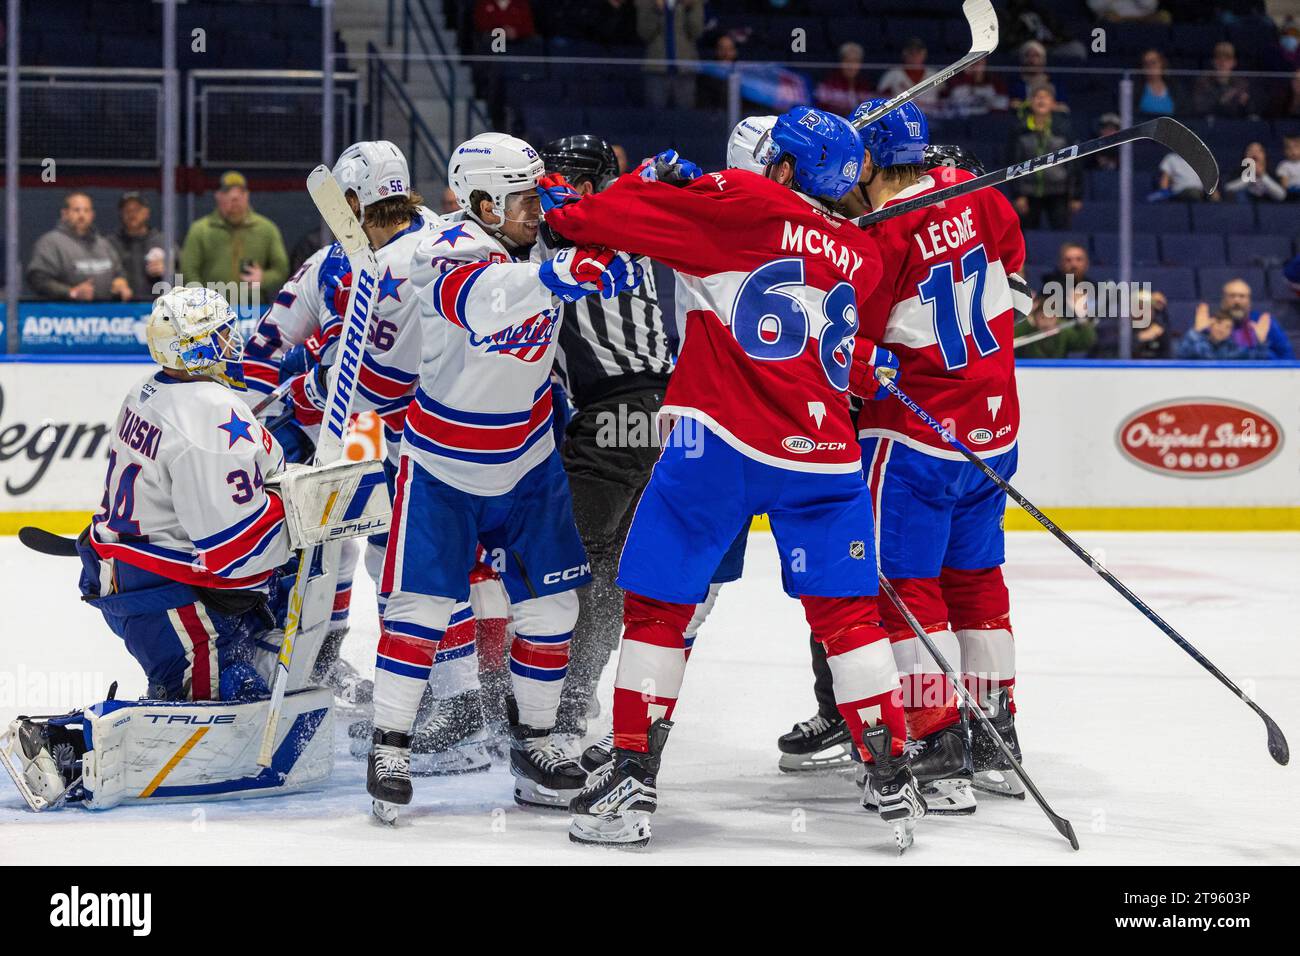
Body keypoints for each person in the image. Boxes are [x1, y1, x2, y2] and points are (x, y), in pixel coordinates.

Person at [548, 107, 926, 851]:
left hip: (716, 444)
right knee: (848, 615)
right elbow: (839, 356)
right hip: (824, 454)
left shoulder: (740, 200)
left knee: (657, 607)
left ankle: (630, 780)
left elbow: (592, 220)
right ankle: (892, 775)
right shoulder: (861, 251)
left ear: (783, 167)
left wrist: (642, 182)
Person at [364, 132, 642, 822]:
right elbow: (486, 301)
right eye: (520, 197)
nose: (533, 207)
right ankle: (390, 742)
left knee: (554, 610)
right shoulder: (447, 251)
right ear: (483, 202)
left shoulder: (539, 234)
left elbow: (603, 229)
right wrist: (560, 275)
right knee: (420, 610)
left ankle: (536, 745)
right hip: (443, 466)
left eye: (534, 192)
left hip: (528, 460)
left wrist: (656, 185)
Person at [0, 288, 336, 812]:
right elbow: (236, 558)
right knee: (237, 700)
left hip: (135, 578)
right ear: (196, 347)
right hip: (166, 598)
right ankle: (65, 747)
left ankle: (174, 692)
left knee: (241, 664)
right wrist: (301, 511)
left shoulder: (154, 388)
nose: (235, 343)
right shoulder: (206, 415)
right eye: (222, 334)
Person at [851, 100, 1029, 808]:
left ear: (865, 163)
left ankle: (936, 737)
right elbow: (1012, 269)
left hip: (917, 437)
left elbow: (853, 342)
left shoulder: (880, 232)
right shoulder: (979, 194)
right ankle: (996, 734)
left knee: (907, 589)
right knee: (978, 580)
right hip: (996, 430)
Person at [535, 135, 675, 743]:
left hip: (614, 415)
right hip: (658, 415)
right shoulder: (631, 223)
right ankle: (575, 695)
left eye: (564, 178)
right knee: (608, 571)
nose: (550, 189)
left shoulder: (587, 227)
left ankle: (543, 705)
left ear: (590, 186)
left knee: (563, 563)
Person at [180, 171, 290, 305]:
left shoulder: (266, 229)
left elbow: (281, 269)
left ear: (247, 196)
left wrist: (264, 278)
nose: (235, 199)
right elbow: (188, 271)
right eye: (228, 195)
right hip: (212, 311)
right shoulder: (201, 230)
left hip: (253, 310)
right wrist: (203, 301)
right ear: (218, 196)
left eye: (240, 194)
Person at [26, 191, 131, 301]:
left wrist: (121, 283)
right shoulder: (50, 243)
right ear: (64, 214)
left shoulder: (104, 245)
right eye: (76, 210)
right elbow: (38, 279)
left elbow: (119, 273)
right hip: (63, 315)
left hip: (105, 315)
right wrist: (71, 292)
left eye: (86, 210)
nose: (82, 215)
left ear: (92, 215)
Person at [1008, 85, 1082, 229]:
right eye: (1037, 97)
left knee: (1061, 235)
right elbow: (1012, 162)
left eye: (1045, 97)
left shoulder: (1064, 129)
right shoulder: (1019, 129)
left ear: (1053, 103)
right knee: (1026, 237)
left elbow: (1075, 163)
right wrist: (1017, 194)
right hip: (1028, 193)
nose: (1041, 100)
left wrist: (1076, 195)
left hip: (1059, 192)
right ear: (1030, 102)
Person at [636, 0, 705, 110]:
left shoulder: (694, 2)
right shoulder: (647, 2)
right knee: (655, 117)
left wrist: (689, 9)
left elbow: (697, 32)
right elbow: (645, 33)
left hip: (685, 70)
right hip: (656, 70)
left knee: (685, 117)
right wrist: (657, 10)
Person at [1202, 277, 1293, 359]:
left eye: (1242, 296)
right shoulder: (1213, 324)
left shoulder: (1263, 323)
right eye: (1232, 296)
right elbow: (1196, 357)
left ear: (1249, 301)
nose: (1237, 301)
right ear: (1223, 300)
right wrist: (1197, 335)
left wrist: (1262, 345)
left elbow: (1287, 357)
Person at [108, 192, 168, 301]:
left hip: (157, 307)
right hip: (120, 309)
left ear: (147, 213)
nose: (132, 214)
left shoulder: (163, 242)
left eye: (137, 210)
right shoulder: (110, 244)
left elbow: (183, 274)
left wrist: (167, 271)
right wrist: (113, 282)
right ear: (121, 214)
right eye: (127, 210)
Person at [1175, 308, 1270, 360]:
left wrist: (1261, 342)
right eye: (1219, 324)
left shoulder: (1233, 349)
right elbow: (1181, 354)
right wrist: (1197, 332)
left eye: (1227, 327)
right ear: (1210, 324)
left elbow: (1257, 360)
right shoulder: (1194, 342)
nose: (1222, 329)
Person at [1192, 42, 1253, 118]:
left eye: (1227, 58)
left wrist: (1244, 104)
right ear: (1213, 61)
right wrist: (1221, 101)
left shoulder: (1241, 84)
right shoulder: (1203, 82)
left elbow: (1249, 110)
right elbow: (1200, 107)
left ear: (1234, 62)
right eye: (1219, 58)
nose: (1222, 63)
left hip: (1236, 122)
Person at [814, 42, 875, 117]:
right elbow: (821, 108)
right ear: (841, 62)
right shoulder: (829, 82)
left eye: (855, 61)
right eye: (848, 61)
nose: (851, 66)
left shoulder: (864, 85)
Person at [876, 37, 937, 109]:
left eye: (918, 52)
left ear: (924, 54)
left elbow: (946, 99)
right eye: (911, 52)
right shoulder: (892, 74)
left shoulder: (933, 74)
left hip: (932, 116)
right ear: (904, 53)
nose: (915, 56)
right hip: (901, 116)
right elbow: (879, 99)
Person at [1136, 48, 1176, 116]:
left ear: (1162, 64)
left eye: (1153, 63)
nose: (1150, 67)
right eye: (1146, 64)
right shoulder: (1136, 89)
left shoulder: (1175, 88)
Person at [1276, 135, 1300, 200]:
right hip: (1293, 194)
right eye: (1289, 148)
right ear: (1285, 151)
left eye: (1296, 147)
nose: (1293, 151)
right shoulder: (1284, 165)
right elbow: (1284, 185)